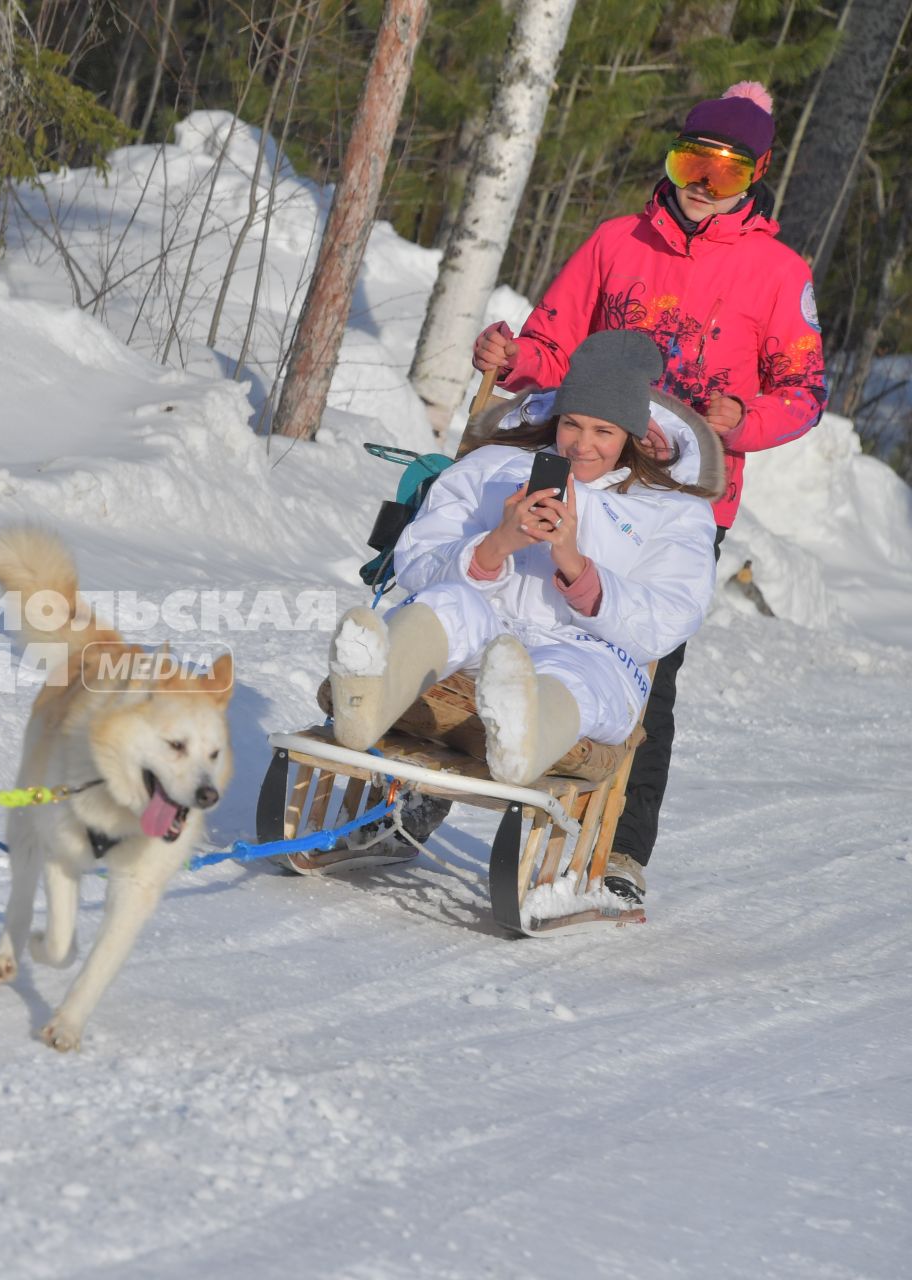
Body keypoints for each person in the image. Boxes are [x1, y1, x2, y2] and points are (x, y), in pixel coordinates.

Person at [468, 81, 825, 902]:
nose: (702, 182)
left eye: (725, 172)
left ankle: (622, 848)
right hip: (583, 467)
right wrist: (516, 359)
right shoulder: (614, 242)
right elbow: (554, 346)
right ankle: (457, 773)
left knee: (644, 665)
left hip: (685, 498)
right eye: (690, 160)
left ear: (757, 175)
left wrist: (742, 419)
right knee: (512, 616)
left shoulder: (779, 272)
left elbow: (805, 392)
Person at [328, 331, 720, 856]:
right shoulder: (492, 467)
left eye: (603, 431)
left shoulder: (670, 511)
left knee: (577, 675)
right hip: (484, 632)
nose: (582, 444)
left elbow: (669, 620)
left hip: (587, 648)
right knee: (445, 604)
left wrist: (576, 566)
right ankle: (366, 701)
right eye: (572, 423)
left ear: (630, 433)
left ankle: (523, 736)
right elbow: (418, 557)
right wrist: (496, 544)